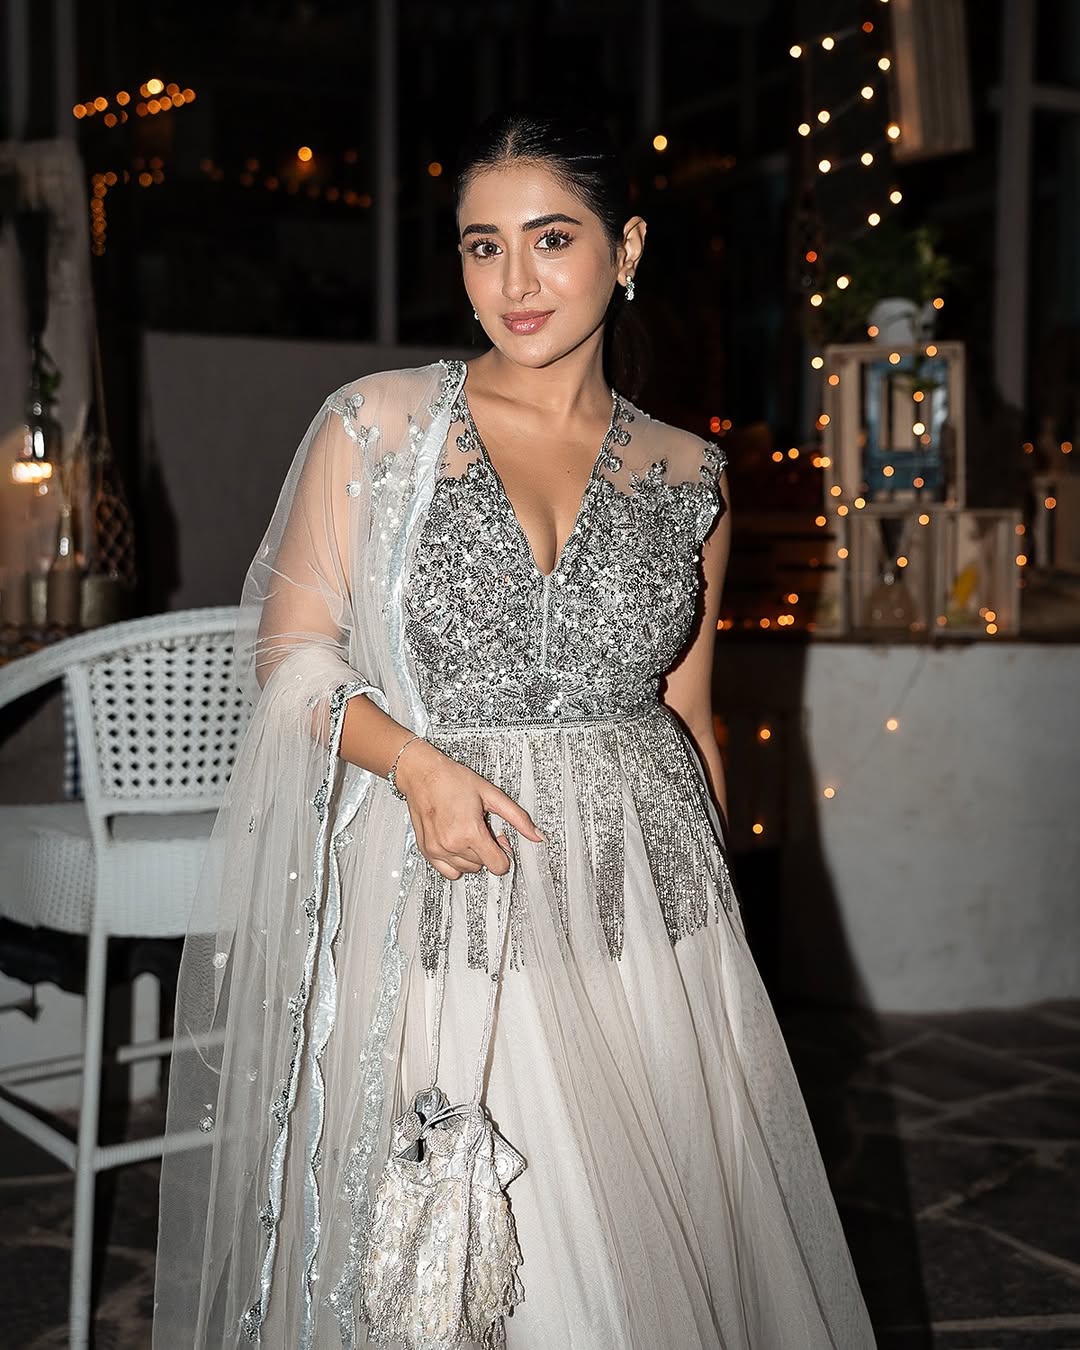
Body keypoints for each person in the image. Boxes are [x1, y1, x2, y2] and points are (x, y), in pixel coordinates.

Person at [154, 109, 876, 1349]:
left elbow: (688, 719)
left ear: (625, 247)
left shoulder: (692, 476)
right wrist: (413, 763)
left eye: (552, 239)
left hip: (642, 903)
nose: (516, 281)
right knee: (477, 1248)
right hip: (446, 889)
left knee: (647, 1257)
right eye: (483, 247)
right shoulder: (380, 425)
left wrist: (717, 957)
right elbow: (289, 653)